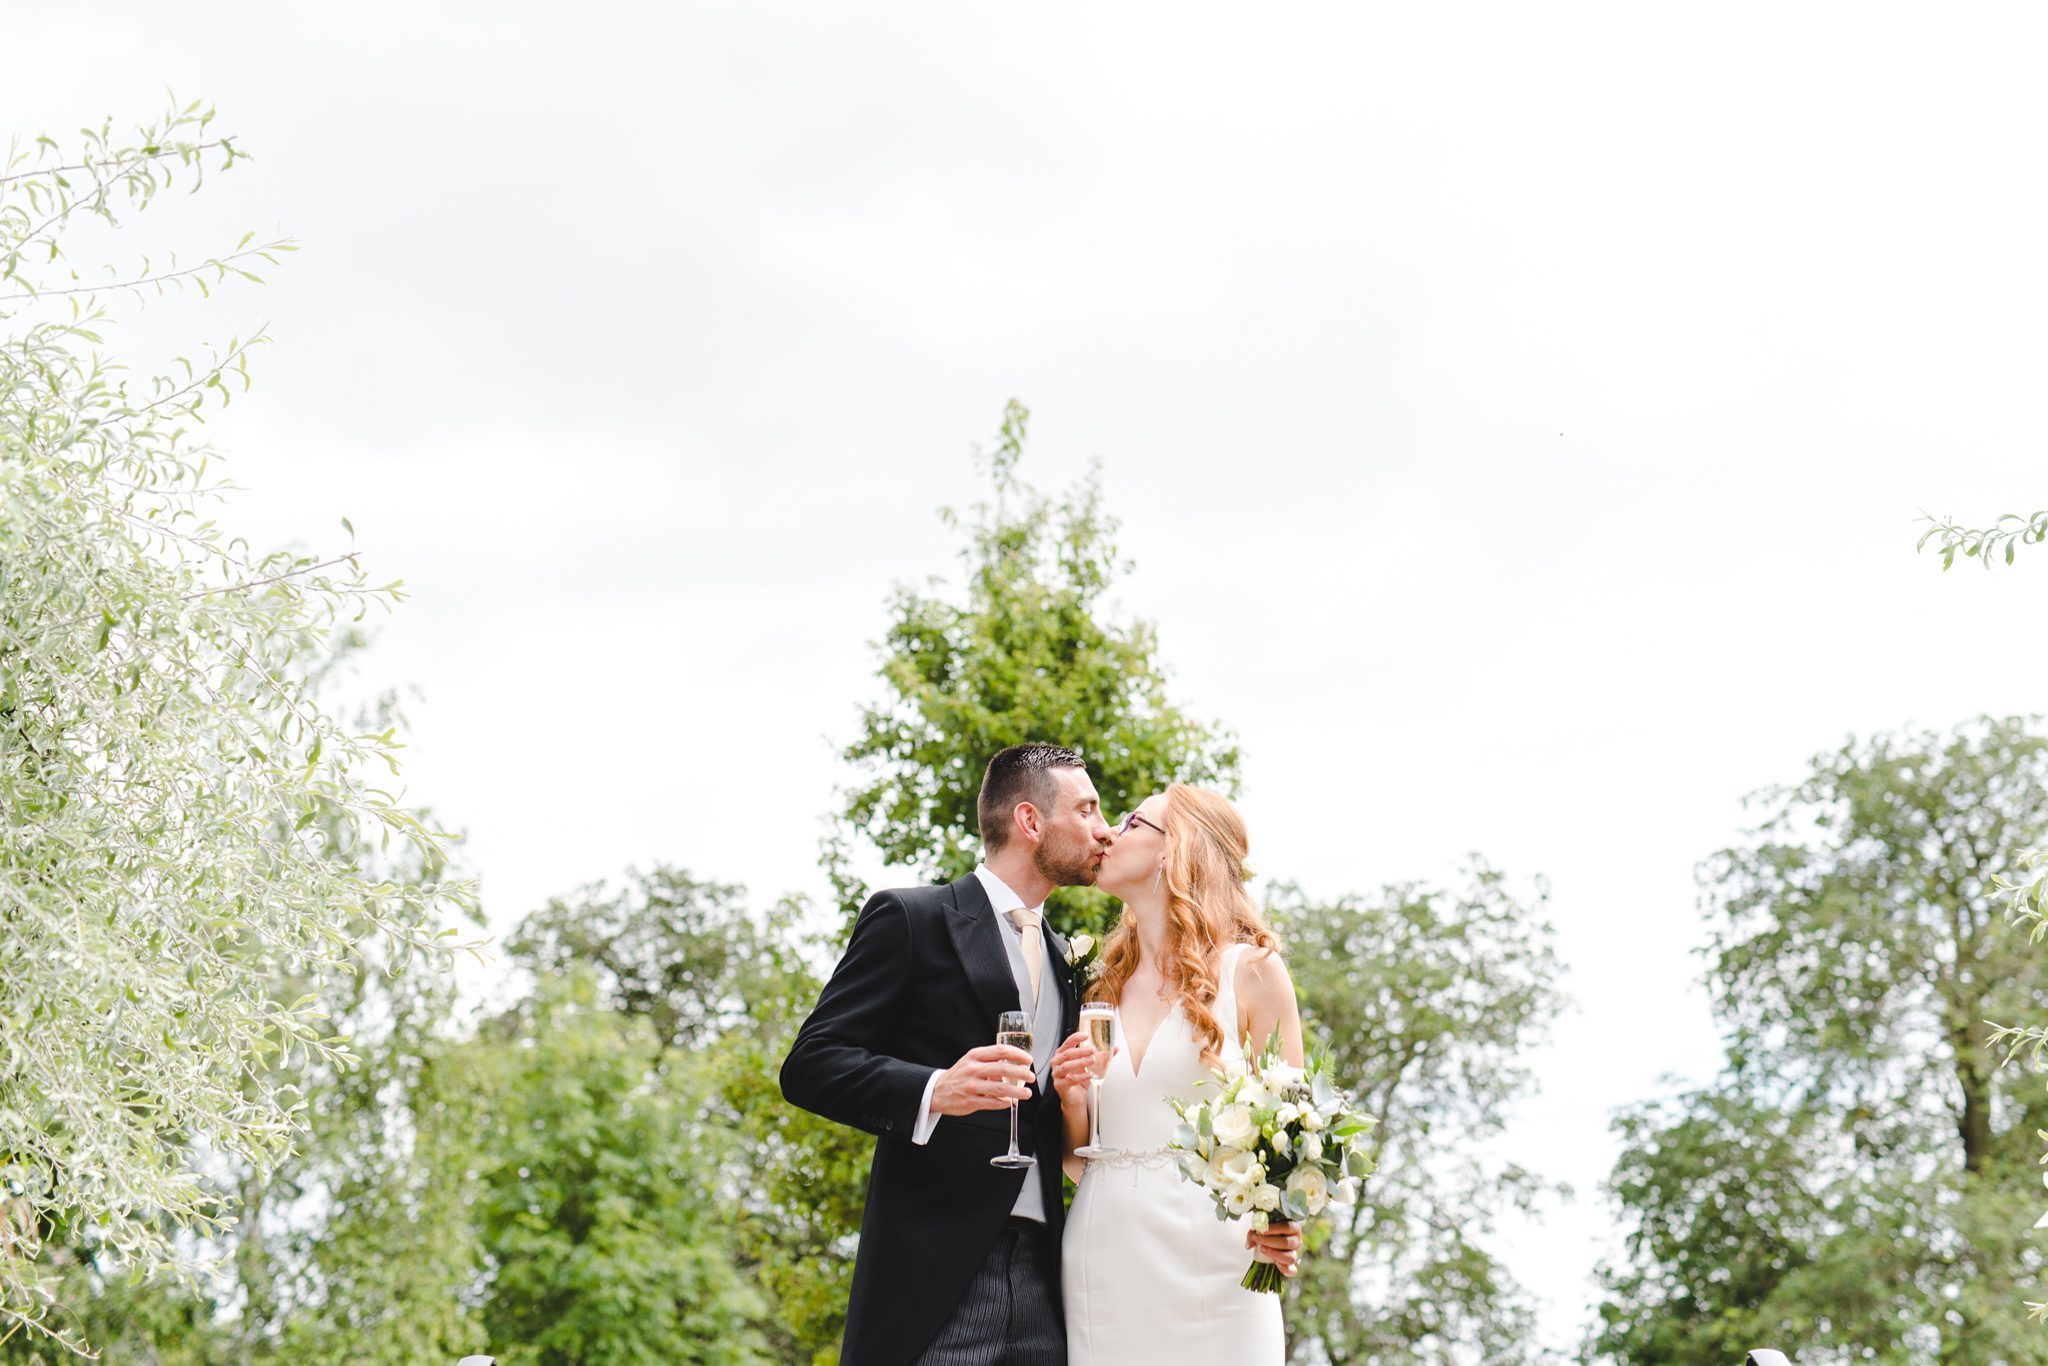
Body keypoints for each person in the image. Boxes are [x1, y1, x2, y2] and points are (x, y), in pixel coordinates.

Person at [781, 743, 1113, 1366]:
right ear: (1030, 821)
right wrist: (937, 1089)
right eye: (1088, 809)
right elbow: (811, 1064)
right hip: (934, 1275)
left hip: (1048, 1274)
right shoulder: (912, 917)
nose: (1104, 828)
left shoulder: (1070, 957)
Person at [1048, 783, 1305, 1366]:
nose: (1110, 831)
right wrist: (1070, 1097)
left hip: (1216, 1260)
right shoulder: (1096, 988)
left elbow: (1293, 1132)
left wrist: (1283, 1222)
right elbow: (1075, 1160)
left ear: (1177, 851)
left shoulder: (1253, 971)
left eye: (1134, 823)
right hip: (1103, 1250)